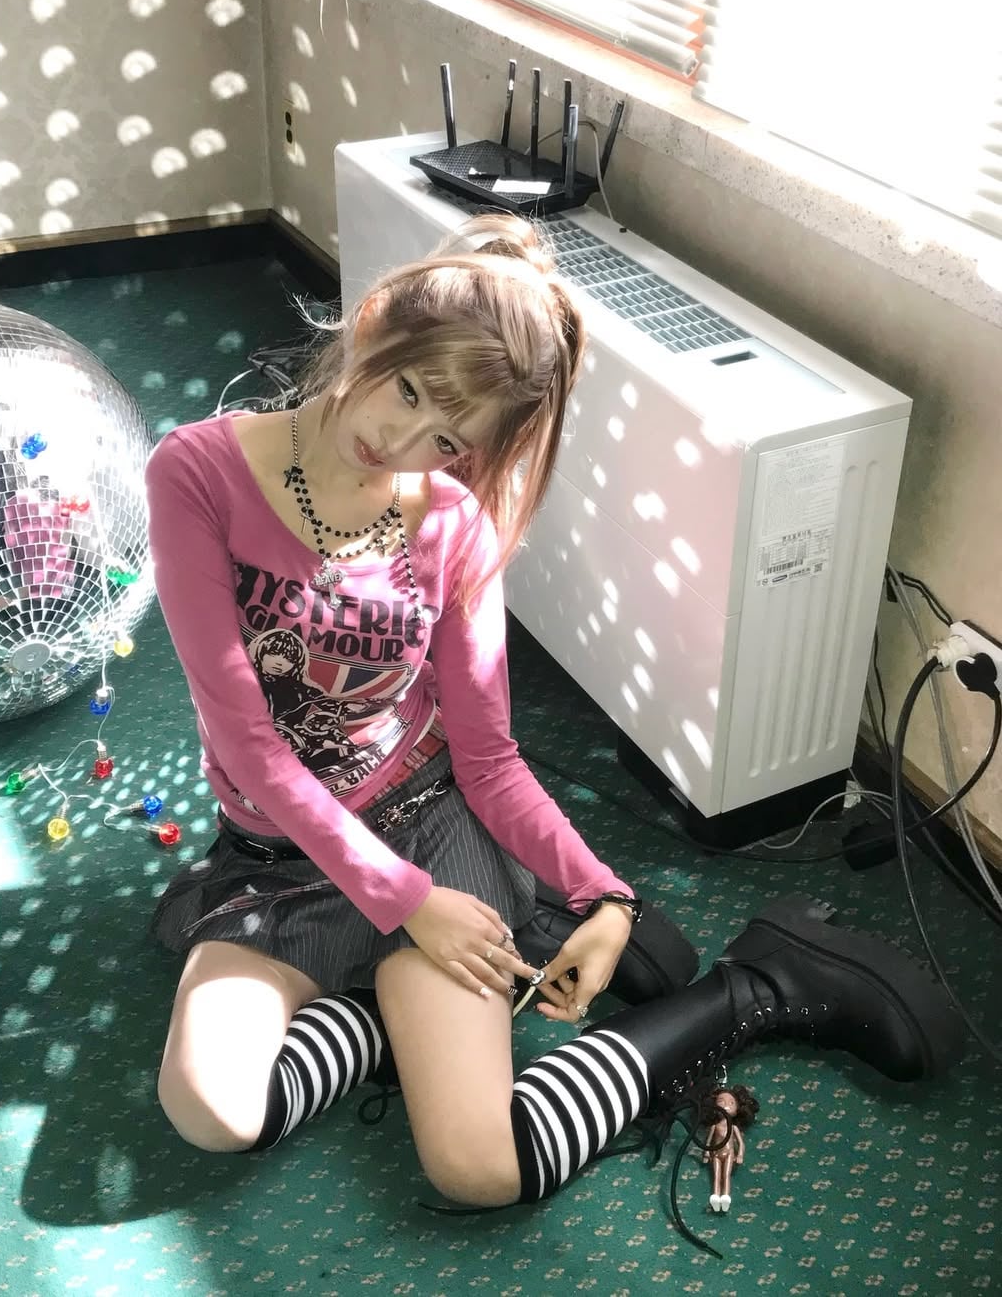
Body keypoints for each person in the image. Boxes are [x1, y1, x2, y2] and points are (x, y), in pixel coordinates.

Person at [144, 214, 963, 1215]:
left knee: (479, 1168)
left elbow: (487, 757)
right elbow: (252, 749)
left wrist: (608, 898)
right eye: (408, 390)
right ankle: (395, 999)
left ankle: (757, 987)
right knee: (210, 1111)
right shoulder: (196, 473)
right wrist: (407, 911)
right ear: (374, 323)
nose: (401, 442)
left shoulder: (451, 524)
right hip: (281, 860)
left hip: (429, 834)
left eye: (447, 439)